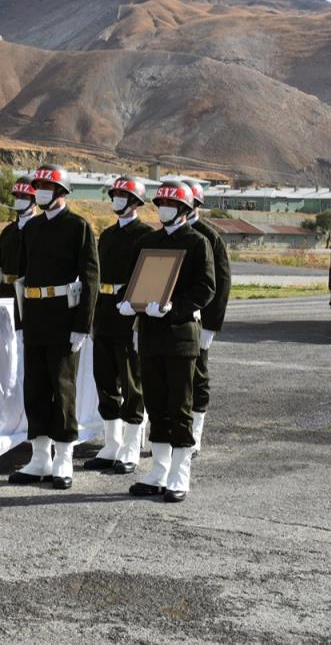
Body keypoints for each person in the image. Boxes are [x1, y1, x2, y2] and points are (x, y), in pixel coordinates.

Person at [118, 179, 215, 502]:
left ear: (186, 209)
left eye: (171, 205)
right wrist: (126, 300)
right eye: (161, 204)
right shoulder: (148, 242)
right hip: (150, 335)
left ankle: (179, 473)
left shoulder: (198, 243)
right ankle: (159, 469)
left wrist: (175, 308)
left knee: (180, 406)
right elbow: (132, 280)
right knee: (156, 404)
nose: (164, 209)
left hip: (180, 337)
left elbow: (206, 288)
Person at [9, 164, 99, 489]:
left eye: (47, 186)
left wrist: (82, 325)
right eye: (38, 186)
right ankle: (39, 458)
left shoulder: (78, 227)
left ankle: (63, 459)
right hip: (34, 316)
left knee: (62, 390)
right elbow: (21, 278)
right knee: (34, 389)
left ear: (61, 191)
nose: (40, 191)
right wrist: (21, 321)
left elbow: (90, 278)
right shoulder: (30, 229)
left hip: (63, 319)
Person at [85, 176, 152, 474]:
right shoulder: (108, 235)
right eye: (115, 195)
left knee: (132, 383)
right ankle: (111, 443)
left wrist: (138, 316)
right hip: (105, 314)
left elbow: (148, 281)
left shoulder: (146, 236)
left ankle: (131, 445)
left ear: (136, 201)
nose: (117, 199)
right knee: (105, 380)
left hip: (129, 316)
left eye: (123, 195)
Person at [185, 180, 231, 457]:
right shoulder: (166, 235)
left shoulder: (208, 236)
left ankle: (195, 434)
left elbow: (221, 282)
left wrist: (211, 325)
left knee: (197, 375)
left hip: (199, 320)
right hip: (167, 319)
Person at [0, 177, 39, 332]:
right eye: (18, 196)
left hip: (30, 299)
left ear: (35, 199)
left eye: (25, 197)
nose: (19, 200)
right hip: (6, 296)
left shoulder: (41, 230)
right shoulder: (8, 232)